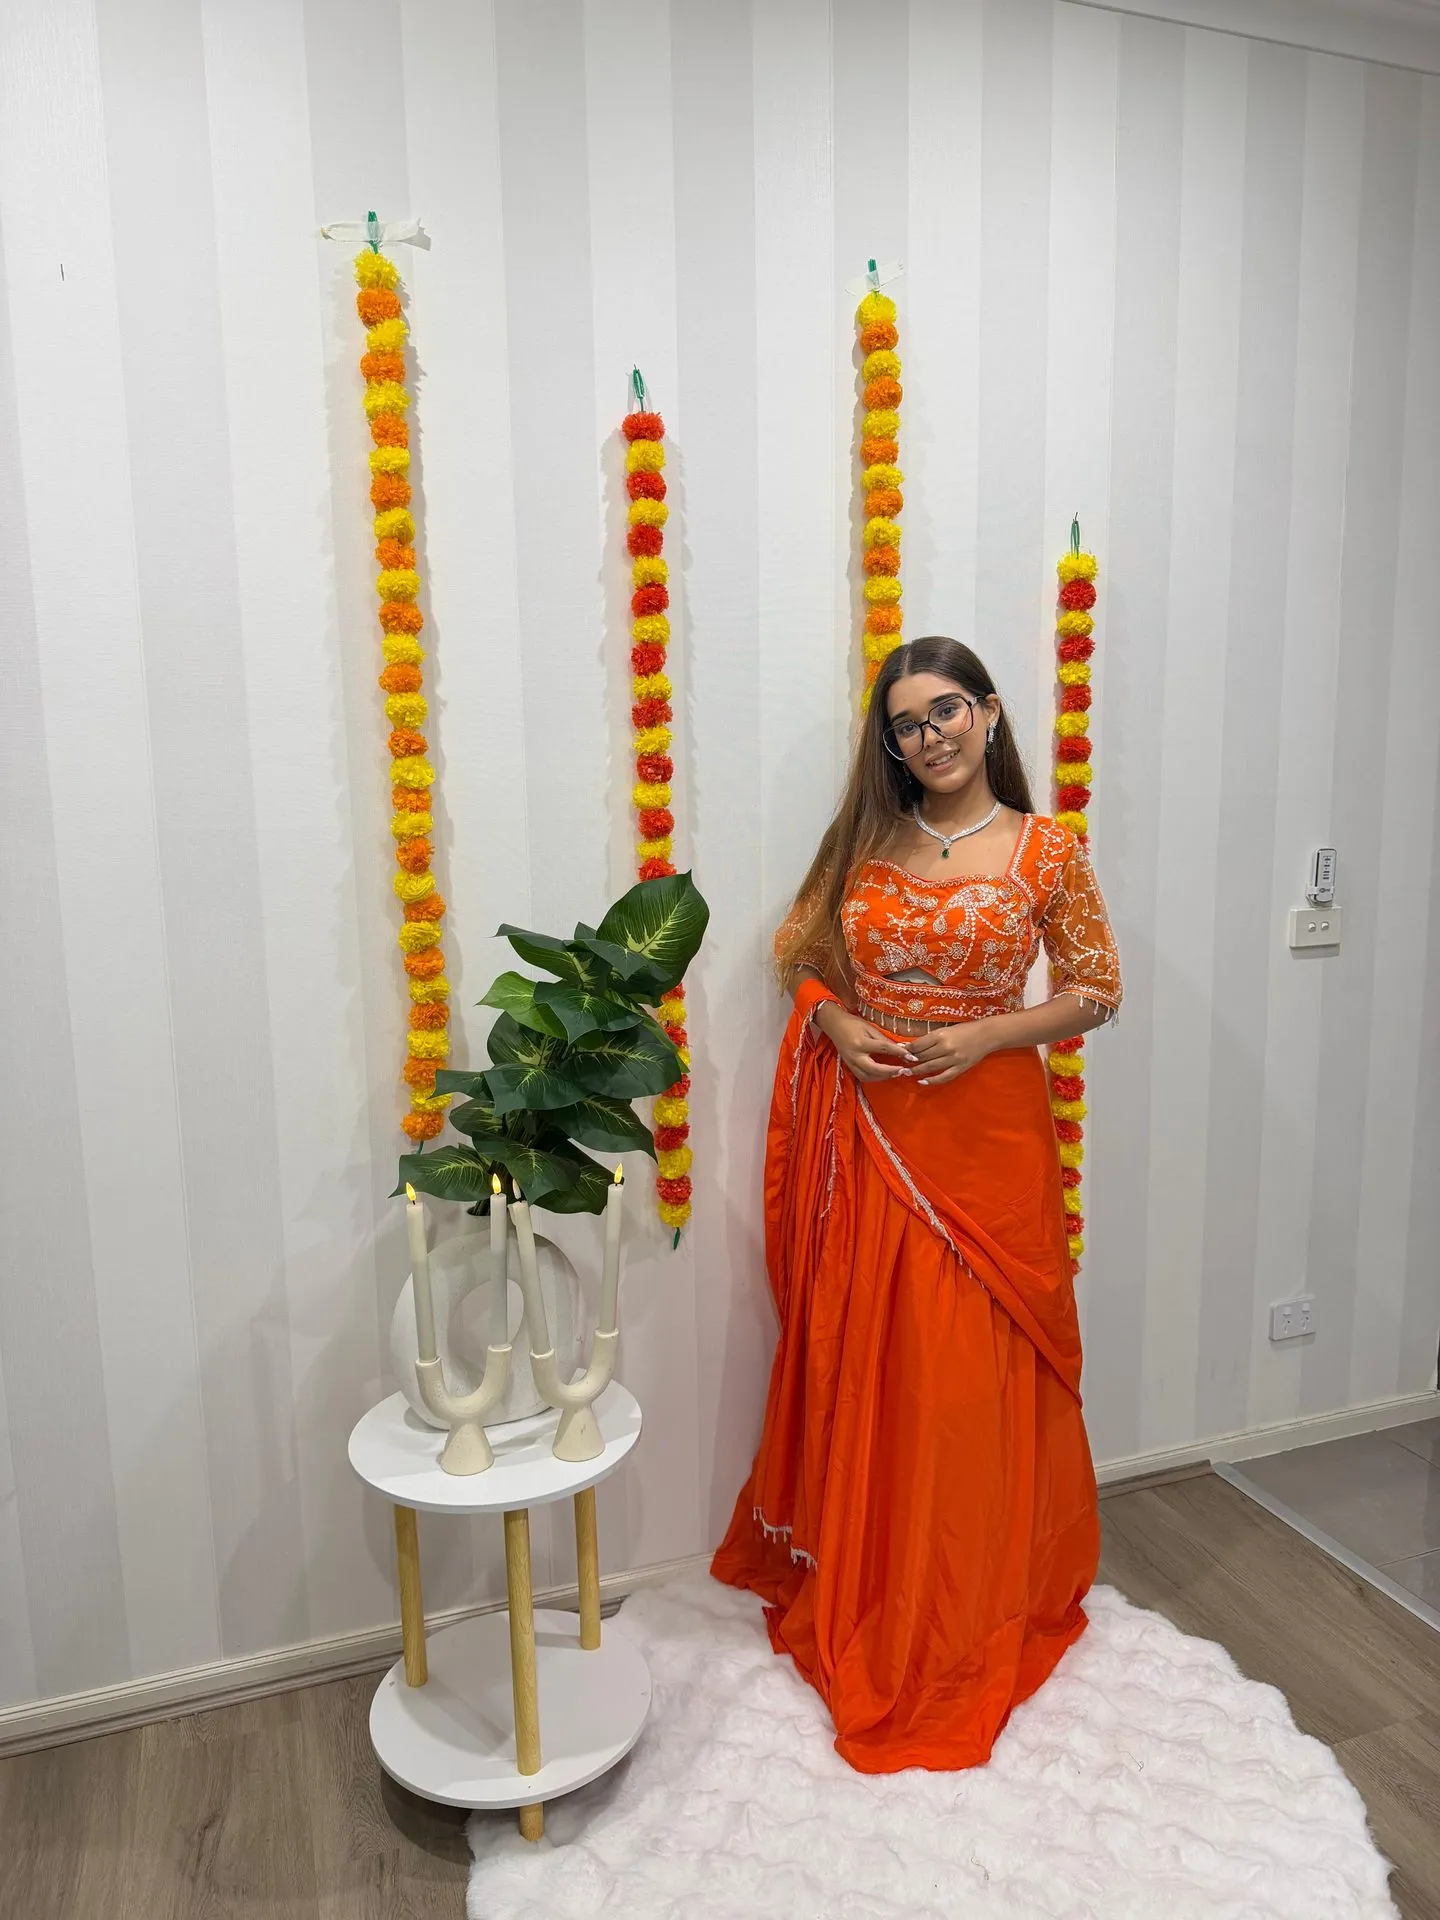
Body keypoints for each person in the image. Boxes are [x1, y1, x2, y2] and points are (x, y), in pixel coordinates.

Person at [710, 634, 1122, 1775]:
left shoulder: (1046, 851)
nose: (928, 735)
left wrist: (991, 1033)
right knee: (891, 1364)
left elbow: (1098, 991)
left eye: (945, 711)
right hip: (876, 1138)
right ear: (888, 742)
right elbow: (799, 952)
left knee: (969, 1381)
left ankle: (976, 1588)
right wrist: (836, 1021)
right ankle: (885, 1579)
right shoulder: (869, 840)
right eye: (905, 723)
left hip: (988, 1144)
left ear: (988, 716)